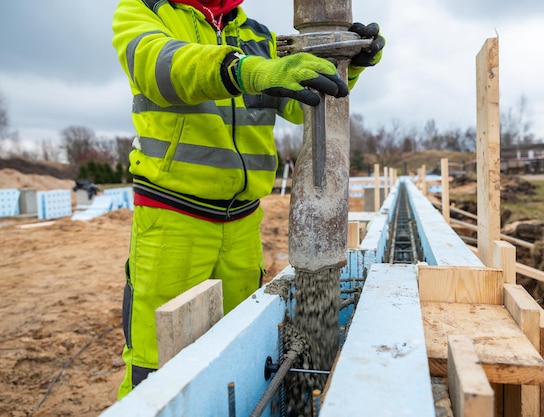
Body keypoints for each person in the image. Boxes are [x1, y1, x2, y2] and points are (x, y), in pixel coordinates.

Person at [111, 0, 384, 398]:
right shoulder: (144, 12)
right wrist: (244, 70)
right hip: (173, 219)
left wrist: (347, 65)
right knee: (159, 364)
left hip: (242, 222)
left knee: (242, 350)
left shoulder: (255, 34)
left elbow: (295, 98)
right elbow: (162, 67)